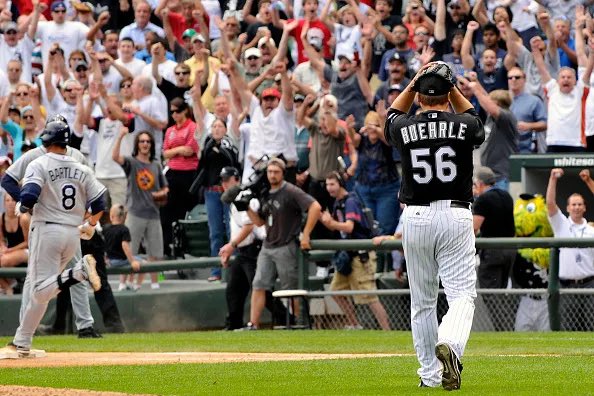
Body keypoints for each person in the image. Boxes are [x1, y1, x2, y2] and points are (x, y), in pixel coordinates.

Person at [384, 62, 485, 390]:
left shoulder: (405, 125)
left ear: (419, 97)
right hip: (455, 214)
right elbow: (476, 122)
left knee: (423, 302)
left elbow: (390, 117)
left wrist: (414, 84)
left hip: (415, 216)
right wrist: (449, 83)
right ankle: (452, 345)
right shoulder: (463, 123)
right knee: (461, 296)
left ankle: (428, 375)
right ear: (447, 94)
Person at [0, 119, 104, 359]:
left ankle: (79, 273)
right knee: (46, 289)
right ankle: (22, 341)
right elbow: (100, 202)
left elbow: (30, 195)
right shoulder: (80, 165)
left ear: (46, 140)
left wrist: (24, 206)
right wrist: (90, 224)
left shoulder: (39, 162)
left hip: (47, 231)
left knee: (38, 290)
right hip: (72, 233)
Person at [242, 158, 321, 329]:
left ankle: (301, 323)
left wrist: (306, 234)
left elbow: (315, 207)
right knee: (258, 284)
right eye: (270, 172)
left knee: (291, 289)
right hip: (268, 245)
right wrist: (246, 208)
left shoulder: (291, 191)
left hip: (286, 245)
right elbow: (260, 223)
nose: (272, 175)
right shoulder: (265, 192)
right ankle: (253, 324)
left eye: (276, 172)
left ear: (283, 173)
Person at [320, 172, 391, 330]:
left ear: (340, 184)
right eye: (327, 184)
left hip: (361, 256)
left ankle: (388, 331)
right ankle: (354, 324)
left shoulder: (351, 201)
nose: (329, 188)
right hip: (347, 255)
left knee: (370, 297)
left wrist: (330, 223)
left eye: (332, 184)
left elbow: (349, 226)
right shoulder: (337, 203)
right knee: (335, 290)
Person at [112, 128, 169, 290]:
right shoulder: (131, 162)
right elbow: (115, 157)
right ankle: (123, 283)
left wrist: (161, 193)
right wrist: (121, 135)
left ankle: (155, 283)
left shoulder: (156, 165)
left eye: (148, 141)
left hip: (153, 213)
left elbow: (166, 187)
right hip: (135, 213)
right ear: (137, 144)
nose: (145, 144)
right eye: (142, 141)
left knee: (156, 253)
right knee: (129, 250)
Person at [546, 168, 594, 331]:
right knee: (569, 330)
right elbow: (550, 204)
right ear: (567, 208)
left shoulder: (591, 229)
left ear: (585, 208)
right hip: (567, 286)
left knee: (591, 329)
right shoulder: (561, 225)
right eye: (573, 204)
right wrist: (553, 179)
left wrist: (589, 182)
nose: (576, 207)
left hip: (590, 284)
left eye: (580, 204)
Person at [472, 166, 516, 331]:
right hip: (509, 250)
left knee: (491, 294)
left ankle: (503, 330)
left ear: (480, 183)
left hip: (493, 252)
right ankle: (507, 328)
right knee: (501, 292)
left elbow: (474, 228)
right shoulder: (506, 196)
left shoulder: (483, 200)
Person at [103, 204, 144, 291]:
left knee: (129, 258)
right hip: (119, 261)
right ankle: (136, 285)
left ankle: (123, 284)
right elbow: (125, 245)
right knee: (142, 262)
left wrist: (104, 258)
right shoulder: (124, 229)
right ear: (124, 217)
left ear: (111, 216)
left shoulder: (106, 228)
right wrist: (132, 261)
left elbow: (102, 244)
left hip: (109, 261)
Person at [0, 194, 30, 296]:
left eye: (13, 200)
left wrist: (10, 250)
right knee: (3, 258)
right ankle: (8, 286)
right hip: (11, 251)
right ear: (4, 203)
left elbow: (28, 242)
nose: (10, 203)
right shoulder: (1, 218)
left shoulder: (23, 218)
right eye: (7, 201)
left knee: (3, 260)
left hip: (27, 250)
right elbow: (1, 240)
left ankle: (12, 282)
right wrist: (3, 247)